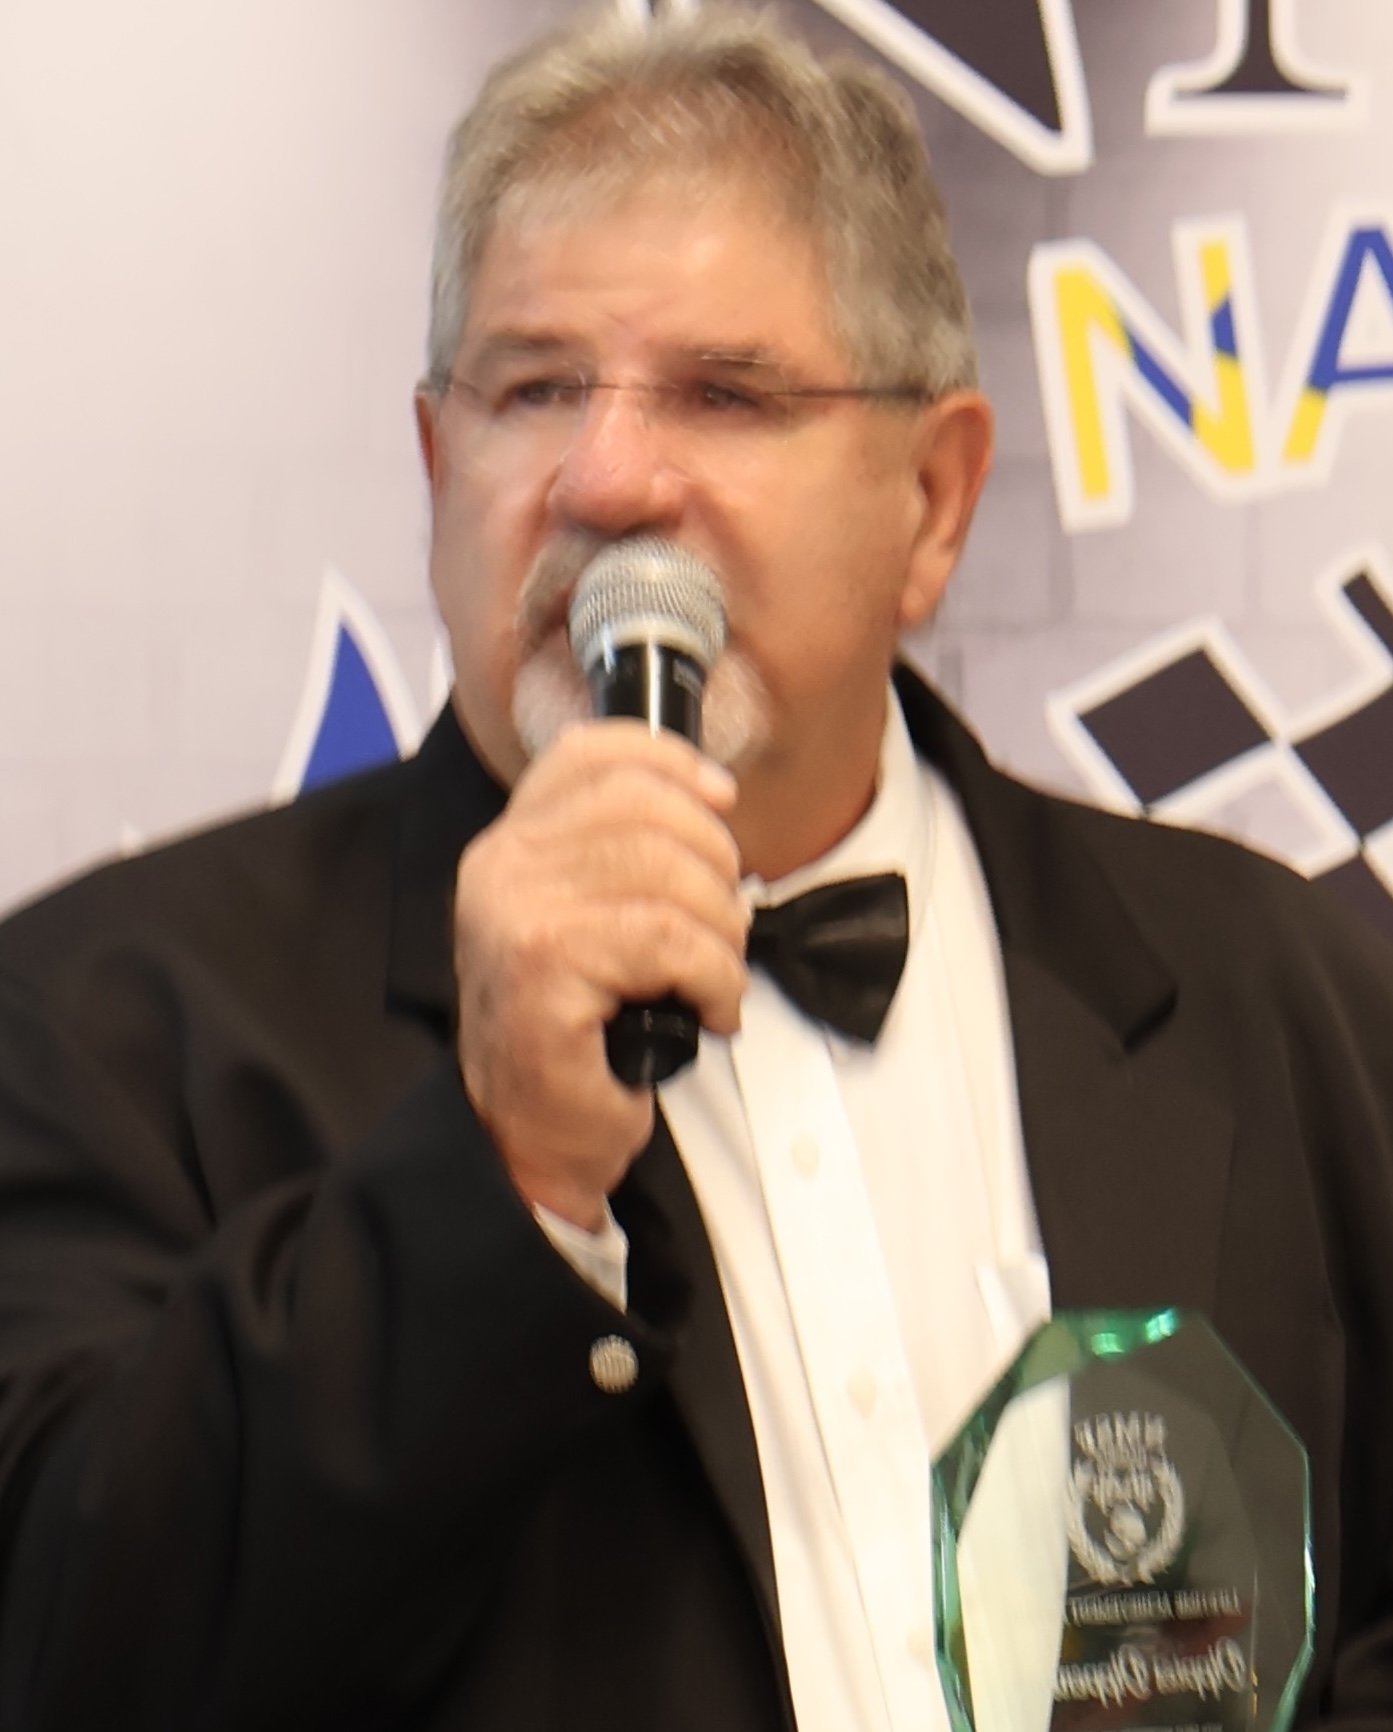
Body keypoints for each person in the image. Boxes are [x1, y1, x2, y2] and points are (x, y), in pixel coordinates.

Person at [0, 5, 1390, 1729]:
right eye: (533, 389)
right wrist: (497, 1176)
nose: (604, 477)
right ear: (440, 472)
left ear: (933, 504)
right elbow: (70, 1657)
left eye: (725, 394)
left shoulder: (1269, 979)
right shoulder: (108, 1024)